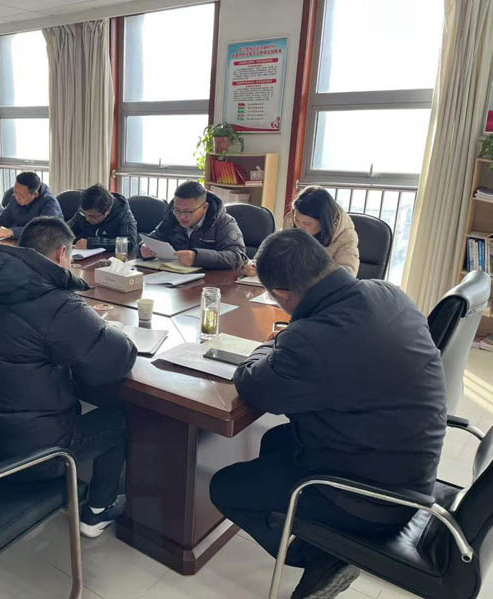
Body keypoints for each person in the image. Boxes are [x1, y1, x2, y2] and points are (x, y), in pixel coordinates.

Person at [209, 229, 446, 599]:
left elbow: (253, 384)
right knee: (275, 440)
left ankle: (329, 555)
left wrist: (270, 344)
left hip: (368, 499)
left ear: (282, 294)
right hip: (411, 471)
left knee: (224, 487)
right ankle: (322, 540)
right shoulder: (388, 292)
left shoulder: (309, 339)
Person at [0, 216, 137, 538]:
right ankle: (98, 510)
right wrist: (105, 328)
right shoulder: (56, 303)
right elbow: (116, 360)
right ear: (62, 254)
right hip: (34, 458)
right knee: (120, 417)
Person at [245, 186, 359, 278]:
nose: (299, 227)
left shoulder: (345, 236)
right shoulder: (291, 222)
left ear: (324, 222)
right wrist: (256, 265)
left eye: (307, 223)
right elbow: (274, 253)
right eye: (297, 220)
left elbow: (347, 275)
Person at [140, 181, 246, 270]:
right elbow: (151, 240)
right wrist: (142, 249)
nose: (182, 217)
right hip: (174, 278)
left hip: (211, 281)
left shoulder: (223, 222)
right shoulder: (171, 218)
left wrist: (197, 257)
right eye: (177, 210)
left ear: (205, 207)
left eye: (188, 211)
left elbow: (238, 257)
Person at [0, 171, 62, 240]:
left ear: (35, 194)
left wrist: (12, 232)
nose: (16, 197)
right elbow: (2, 219)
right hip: (18, 241)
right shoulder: (15, 197)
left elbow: (44, 230)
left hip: (44, 244)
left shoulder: (49, 203)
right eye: (15, 192)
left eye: (21, 196)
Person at [67, 184, 139, 252]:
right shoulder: (85, 209)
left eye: (93, 216)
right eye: (84, 214)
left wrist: (92, 243)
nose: (87, 219)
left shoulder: (123, 214)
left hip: (111, 258)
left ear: (108, 211)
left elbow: (129, 242)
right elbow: (67, 230)